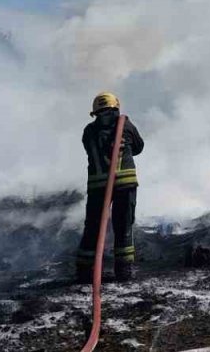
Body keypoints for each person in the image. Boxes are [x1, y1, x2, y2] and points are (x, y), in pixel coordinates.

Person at [76, 92, 144, 283]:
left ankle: (85, 271)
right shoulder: (126, 126)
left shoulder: (88, 131)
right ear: (116, 107)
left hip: (98, 186)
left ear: (95, 112)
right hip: (125, 184)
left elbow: (89, 148)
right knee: (123, 226)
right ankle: (123, 271)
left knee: (93, 227)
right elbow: (139, 147)